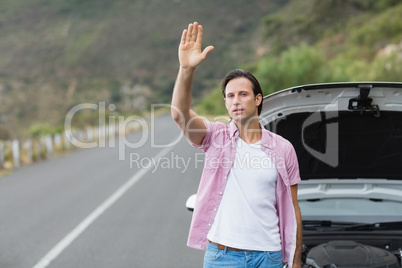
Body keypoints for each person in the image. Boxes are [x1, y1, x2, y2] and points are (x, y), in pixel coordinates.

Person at [171, 22, 302, 268]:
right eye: (230, 96)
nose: (236, 101)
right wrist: (186, 69)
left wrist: (295, 261)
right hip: (223, 257)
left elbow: (293, 210)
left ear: (258, 99)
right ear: (225, 104)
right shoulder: (215, 137)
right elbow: (180, 115)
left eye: (243, 94)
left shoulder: (283, 149)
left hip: (269, 256)